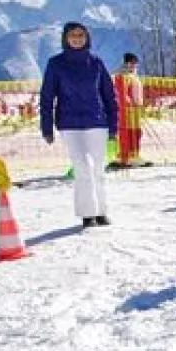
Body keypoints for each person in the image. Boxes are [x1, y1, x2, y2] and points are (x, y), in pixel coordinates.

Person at [39, 22, 119, 228]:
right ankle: (87, 214)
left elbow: (109, 96)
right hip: (70, 123)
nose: (77, 38)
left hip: (97, 122)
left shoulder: (96, 63)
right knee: (83, 167)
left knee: (98, 169)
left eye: (81, 35)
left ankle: (101, 211)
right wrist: (46, 126)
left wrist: (114, 125)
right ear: (65, 38)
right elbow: (47, 96)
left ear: (87, 38)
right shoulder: (56, 64)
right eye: (72, 35)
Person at [114, 52, 146, 166]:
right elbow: (121, 91)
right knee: (128, 132)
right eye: (132, 63)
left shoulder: (134, 75)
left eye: (135, 63)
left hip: (136, 109)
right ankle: (126, 155)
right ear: (127, 63)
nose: (134, 65)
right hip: (127, 109)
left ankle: (135, 154)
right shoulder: (122, 75)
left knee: (136, 132)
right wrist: (128, 101)